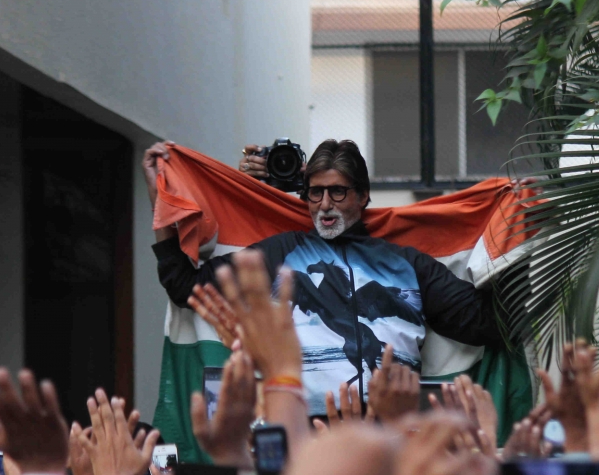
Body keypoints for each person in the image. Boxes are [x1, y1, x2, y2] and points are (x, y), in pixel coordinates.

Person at [145, 138, 504, 411]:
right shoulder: (279, 253)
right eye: (315, 193)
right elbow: (185, 287)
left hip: (393, 441)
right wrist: (160, 195)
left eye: (338, 192)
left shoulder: (407, 264)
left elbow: (488, 323)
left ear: (363, 195)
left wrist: (515, 226)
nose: (325, 205)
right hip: (303, 439)